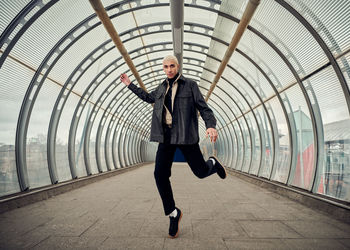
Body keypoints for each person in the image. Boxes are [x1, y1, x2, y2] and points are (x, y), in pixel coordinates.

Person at [120, 55, 226, 239]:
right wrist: (130, 84)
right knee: (159, 174)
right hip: (166, 137)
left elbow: (204, 108)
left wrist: (210, 125)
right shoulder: (161, 87)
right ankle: (173, 213)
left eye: (172, 66)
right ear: (163, 68)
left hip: (186, 136)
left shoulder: (190, 85)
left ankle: (212, 164)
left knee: (200, 172)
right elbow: (147, 97)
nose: (169, 69)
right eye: (165, 66)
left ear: (177, 67)